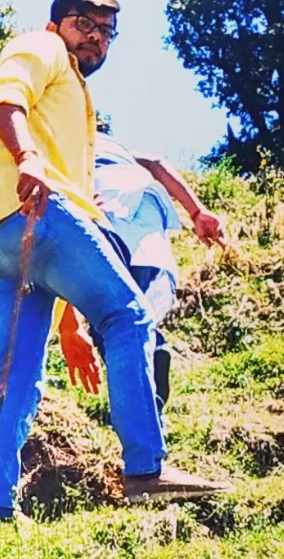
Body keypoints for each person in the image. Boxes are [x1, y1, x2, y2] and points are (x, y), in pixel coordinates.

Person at [0, 0, 230, 518]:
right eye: (85, 24)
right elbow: (4, 99)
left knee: (18, 376)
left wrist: (68, 326)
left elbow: (54, 264)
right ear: (57, 23)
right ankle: (145, 469)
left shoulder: (77, 99)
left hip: (1, 242)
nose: (97, 39)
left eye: (107, 32)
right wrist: (29, 158)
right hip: (38, 209)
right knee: (129, 316)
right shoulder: (42, 50)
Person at [92, 132, 221, 408]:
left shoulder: (66, 133)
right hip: (148, 213)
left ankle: (143, 403)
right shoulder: (120, 149)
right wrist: (198, 212)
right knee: (135, 315)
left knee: (107, 321)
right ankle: (154, 359)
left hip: (106, 205)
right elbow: (156, 162)